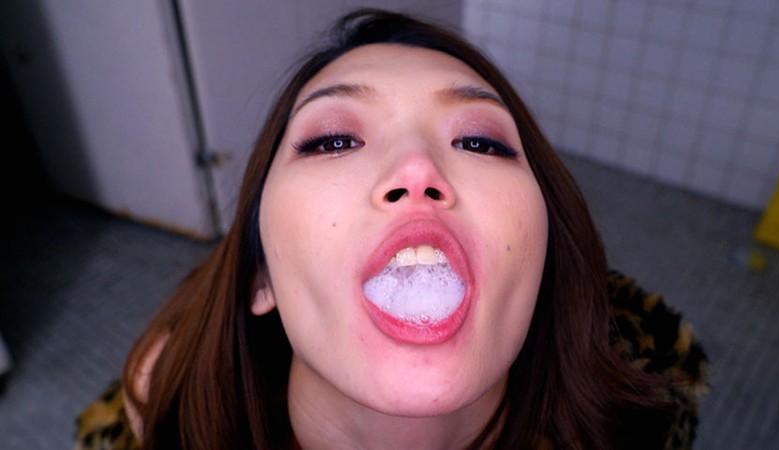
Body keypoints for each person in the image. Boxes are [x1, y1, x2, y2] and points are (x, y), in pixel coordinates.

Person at [75, 8, 708, 450]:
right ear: (260, 275)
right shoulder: (163, 415)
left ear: (543, 260)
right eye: (333, 140)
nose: (416, 169)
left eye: (480, 142)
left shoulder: (642, 421)